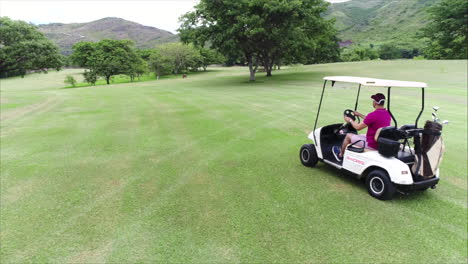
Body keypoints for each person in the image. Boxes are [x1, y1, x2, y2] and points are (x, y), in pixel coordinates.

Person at [332, 93, 391, 162]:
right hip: (379, 142)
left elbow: (357, 127)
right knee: (358, 135)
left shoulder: (373, 115)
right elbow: (370, 120)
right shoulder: (387, 113)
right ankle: (348, 153)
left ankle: (340, 155)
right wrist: (359, 114)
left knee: (348, 136)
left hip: (372, 144)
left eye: (373, 101)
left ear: (375, 102)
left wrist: (350, 120)